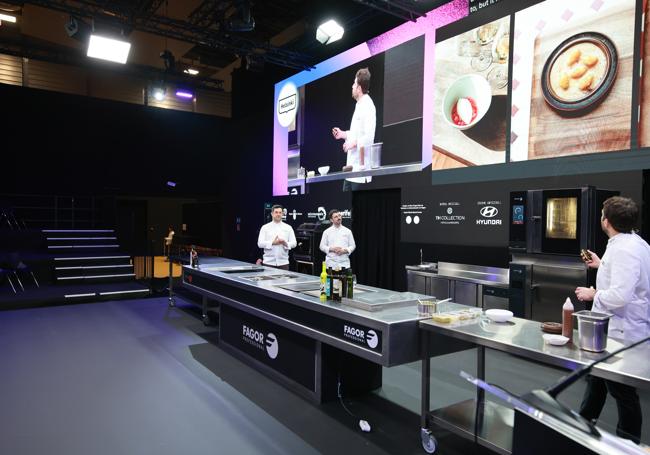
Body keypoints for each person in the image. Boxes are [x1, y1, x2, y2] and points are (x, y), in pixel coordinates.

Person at [574, 196, 650, 444]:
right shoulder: (632, 243)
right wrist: (601, 265)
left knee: (622, 391)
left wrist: (593, 293)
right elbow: (627, 278)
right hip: (616, 329)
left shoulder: (624, 249)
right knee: (596, 378)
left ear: (606, 221)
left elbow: (621, 295)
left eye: (602, 215)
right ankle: (583, 425)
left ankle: (629, 443)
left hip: (622, 331)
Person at [331, 67, 376, 192]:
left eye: (354, 84)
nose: (352, 86)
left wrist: (353, 143)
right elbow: (357, 133)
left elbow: (368, 136)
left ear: (359, 88)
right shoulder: (359, 104)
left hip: (361, 172)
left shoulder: (368, 105)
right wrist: (343, 134)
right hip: (351, 169)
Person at [257, 204, 296, 270]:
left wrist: (285, 243)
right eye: (276, 212)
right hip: (268, 263)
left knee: (284, 280)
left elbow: (294, 243)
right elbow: (260, 243)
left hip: (284, 263)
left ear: (283, 214)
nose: (278, 214)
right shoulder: (265, 227)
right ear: (272, 213)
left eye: (280, 212)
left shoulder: (288, 227)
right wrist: (272, 242)